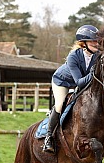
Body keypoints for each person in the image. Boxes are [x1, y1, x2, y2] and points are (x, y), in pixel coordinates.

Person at [43, 25, 100, 153]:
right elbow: (79, 82)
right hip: (62, 82)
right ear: (83, 43)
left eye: (97, 41)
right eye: (93, 41)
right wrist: (93, 74)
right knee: (60, 105)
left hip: (81, 82)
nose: (96, 44)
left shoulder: (97, 56)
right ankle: (48, 138)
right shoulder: (73, 57)